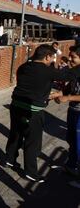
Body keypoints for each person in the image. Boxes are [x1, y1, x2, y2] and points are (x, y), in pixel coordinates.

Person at [4, 44, 75, 183]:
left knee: (15, 134)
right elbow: (68, 75)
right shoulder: (47, 70)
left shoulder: (23, 67)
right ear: (47, 56)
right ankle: (31, 172)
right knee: (32, 142)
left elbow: (31, 85)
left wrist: (43, 95)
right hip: (32, 111)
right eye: (52, 57)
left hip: (16, 105)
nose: (53, 60)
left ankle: (9, 160)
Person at [54, 45, 80, 177]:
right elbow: (67, 89)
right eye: (70, 56)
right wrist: (57, 94)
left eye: (73, 57)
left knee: (78, 142)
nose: (70, 59)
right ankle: (71, 166)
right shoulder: (75, 73)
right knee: (71, 140)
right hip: (73, 110)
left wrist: (68, 98)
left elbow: (69, 94)